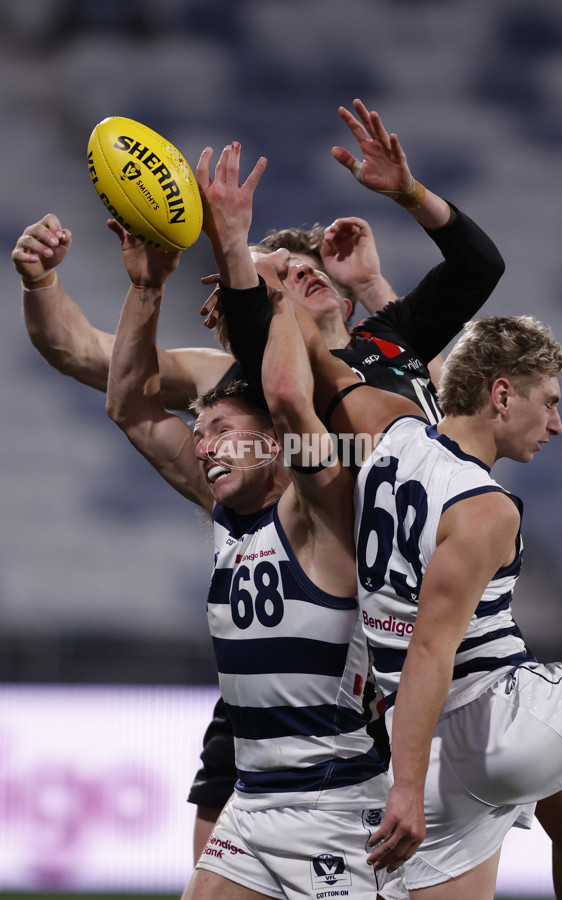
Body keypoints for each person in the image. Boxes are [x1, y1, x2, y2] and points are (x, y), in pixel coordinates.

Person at [12, 97, 506, 869]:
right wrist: (43, 284)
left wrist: (381, 261)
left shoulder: (392, 345)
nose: (296, 284)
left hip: (397, 627)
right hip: (289, 620)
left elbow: (457, 336)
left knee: (536, 816)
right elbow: (92, 360)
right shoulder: (236, 384)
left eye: (307, 276)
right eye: (282, 280)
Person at [103, 140, 399, 900]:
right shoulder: (226, 506)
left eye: (224, 428)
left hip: (338, 803)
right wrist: (148, 285)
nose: (204, 444)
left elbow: (298, 411)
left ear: (275, 444)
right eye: (199, 433)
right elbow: (130, 406)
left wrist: (246, 263)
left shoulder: (324, 505)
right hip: (256, 800)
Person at [276, 295, 562, 897]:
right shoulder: (484, 508)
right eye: (549, 403)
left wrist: (264, 290)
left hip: (434, 757)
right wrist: (403, 786)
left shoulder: (386, 427)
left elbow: (318, 360)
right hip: (504, 724)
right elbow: (431, 647)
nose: (556, 424)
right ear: (502, 395)